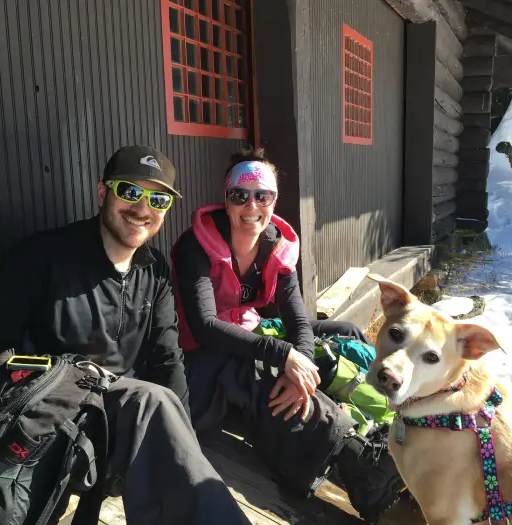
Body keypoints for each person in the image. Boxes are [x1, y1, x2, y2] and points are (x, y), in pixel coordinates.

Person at [0, 145, 250, 525]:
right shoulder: (42, 256)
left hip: (120, 425)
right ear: (103, 193)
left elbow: (168, 359)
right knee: (150, 401)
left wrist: (185, 442)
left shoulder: (155, 270)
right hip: (52, 422)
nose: (143, 209)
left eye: (158, 199)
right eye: (130, 192)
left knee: (176, 398)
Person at [171, 148, 404, 524]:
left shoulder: (276, 247)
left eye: (262, 195)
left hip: (249, 329)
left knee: (342, 332)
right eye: (239, 195)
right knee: (260, 370)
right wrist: (284, 357)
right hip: (198, 354)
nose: (251, 206)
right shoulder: (195, 245)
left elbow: (297, 318)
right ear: (226, 200)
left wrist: (302, 368)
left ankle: (375, 416)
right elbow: (204, 325)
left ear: (274, 200)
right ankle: (358, 462)